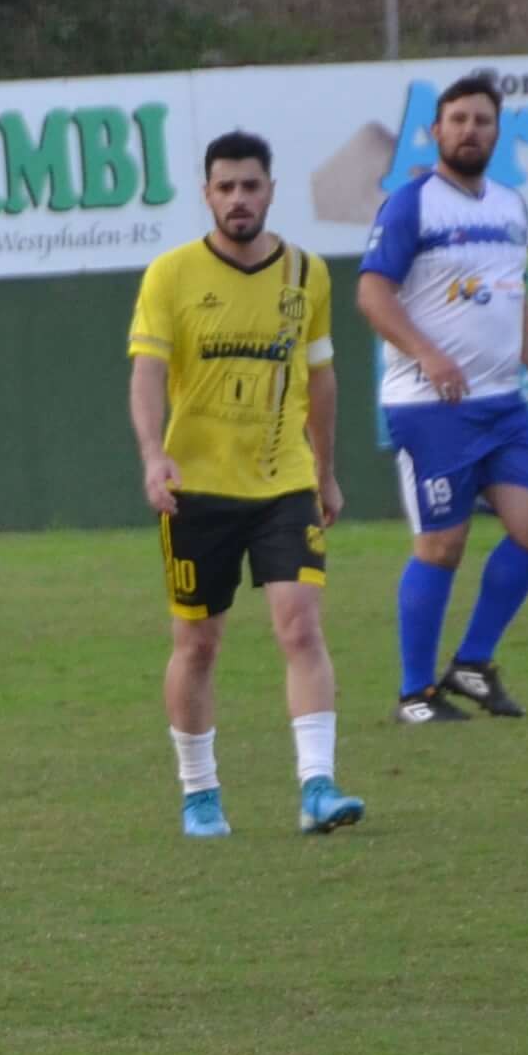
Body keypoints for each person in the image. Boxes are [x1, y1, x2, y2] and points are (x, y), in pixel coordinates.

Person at [130, 130, 363, 840]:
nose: (239, 199)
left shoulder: (305, 275)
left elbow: (320, 376)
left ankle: (316, 787)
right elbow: (145, 372)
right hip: (197, 486)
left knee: (300, 624)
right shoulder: (171, 275)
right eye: (225, 187)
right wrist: (152, 456)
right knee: (198, 644)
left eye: (251, 186)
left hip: (281, 481)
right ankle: (199, 793)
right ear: (207, 194)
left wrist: (323, 470)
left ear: (269, 190)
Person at [357, 70, 528, 726]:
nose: (469, 130)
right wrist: (427, 352)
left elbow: (514, 290)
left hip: (502, 402)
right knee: (440, 547)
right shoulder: (411, 203)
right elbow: (373, 293)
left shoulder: (509, 205)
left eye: (481, 120)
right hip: (431, 408)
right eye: (457, 120)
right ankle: (415, 694)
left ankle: (473, 664)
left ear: (497, 132)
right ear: (436, 131)